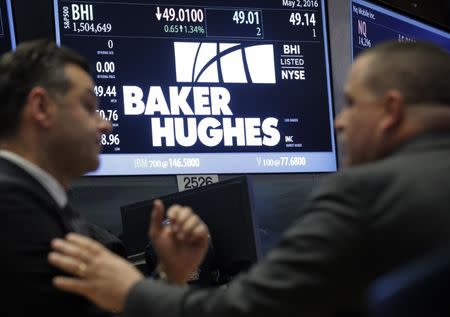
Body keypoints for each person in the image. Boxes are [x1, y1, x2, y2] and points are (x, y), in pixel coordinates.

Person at [48, 40, 450, 317]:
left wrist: (131, 289)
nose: (338, 121)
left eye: (349, 103)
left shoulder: (366, 193)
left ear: (391, 110)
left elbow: (248, 311)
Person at [0, 39, 207, 317]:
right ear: (41, 107)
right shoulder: (11, 207)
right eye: (88, 106)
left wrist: (169, 277)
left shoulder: (40, 202)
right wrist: (143, 289)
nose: (105, 124)